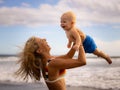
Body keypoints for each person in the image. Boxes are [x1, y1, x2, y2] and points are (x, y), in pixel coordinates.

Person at [15, 36, 86, 90]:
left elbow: (68, 56)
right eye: (41, 40)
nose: (45, 39)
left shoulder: (48, 61)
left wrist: (75, 41)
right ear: (39, 50)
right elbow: (82, 62)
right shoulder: (52, 63)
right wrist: (80, 44)